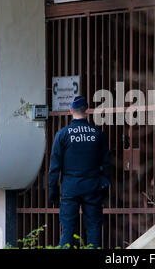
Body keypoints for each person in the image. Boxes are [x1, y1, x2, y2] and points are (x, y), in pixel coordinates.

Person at [49, 96, 110, 249]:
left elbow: (54, 168)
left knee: (68, 230)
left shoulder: (62, 135)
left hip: (70, 188)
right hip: (93, 187)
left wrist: (53, 192)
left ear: (71, 111)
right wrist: (104, 187)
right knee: (94, 228)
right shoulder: (97, 134)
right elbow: (106, 164)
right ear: (87, 111)